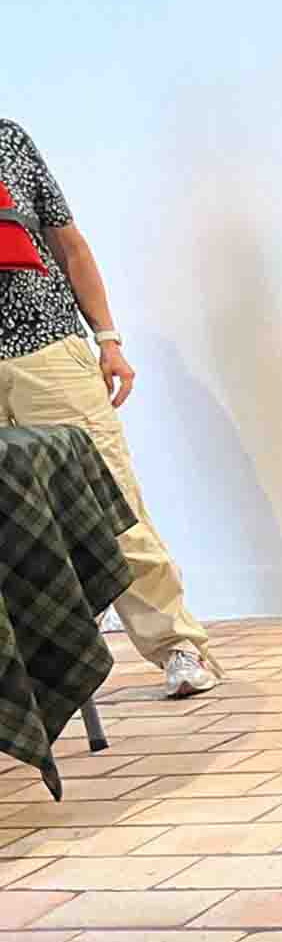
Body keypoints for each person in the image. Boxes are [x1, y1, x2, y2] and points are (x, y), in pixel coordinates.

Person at [0, 118, 221, 698]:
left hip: (47, 348)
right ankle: (25, 684)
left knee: (110, 503)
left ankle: (176, 645)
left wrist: (108, 338)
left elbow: (69, 245)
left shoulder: (9, 141)